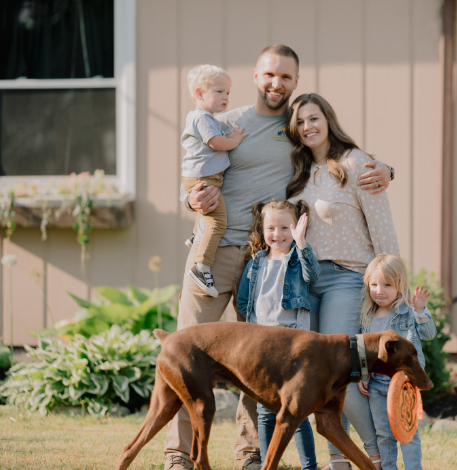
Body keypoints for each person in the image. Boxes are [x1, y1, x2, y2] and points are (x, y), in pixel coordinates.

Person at [167, 44, 393, 470]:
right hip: (213, 255)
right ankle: (179, 455)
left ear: (296, 82)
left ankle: (250, 453)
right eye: (270, 75)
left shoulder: (296, 130)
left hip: (268, 262)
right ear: (255, 75)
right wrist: (191, 197)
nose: (277, 84)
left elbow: (336, 153)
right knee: (188, 352)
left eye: (286, 77)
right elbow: (193, 172)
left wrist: (386, 169)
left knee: (259, 359)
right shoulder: (224, 123)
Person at [286, 93, 400, 470]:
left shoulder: (358, 163)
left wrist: (390, 288)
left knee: (339, 371)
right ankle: (339, 461)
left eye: (313, 118)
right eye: (299, 122)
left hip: (347, 279)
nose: (307, 127)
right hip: (306, 282)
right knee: (319, 380)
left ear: (328, 119)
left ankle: (378, 456)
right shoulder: (298, 170)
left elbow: (383, 231)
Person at [236, 200, 319, 470]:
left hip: (292, 343)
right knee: (264, 410)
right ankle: (267, 465)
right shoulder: (256, 262)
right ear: (262, 229)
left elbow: (314, 275)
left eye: (285, 227)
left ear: (295, 228)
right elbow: (244, 300)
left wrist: (302, 243)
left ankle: (309, 466)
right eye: (271, 227)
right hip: (261, 344)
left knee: (295, 409)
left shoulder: (296, 258)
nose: (277, 234)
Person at [357, 254, 436, 470]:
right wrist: (362, 375)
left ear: (400, 285)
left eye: (387, 285)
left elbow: (428, 334)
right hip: (375, 385)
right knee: (383, 433)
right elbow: (363, 348)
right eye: (373, 284)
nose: (379, 291)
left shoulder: (407, 313)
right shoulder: (367, 315)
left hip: (403, 384)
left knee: (407, 432)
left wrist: (420, 310)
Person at [181, 64, 248, 297]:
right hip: (204, 177)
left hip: (202, 176)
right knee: (218, 222)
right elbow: (215, 143)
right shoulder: (203, 118)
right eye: (219, 92)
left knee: (208, 213)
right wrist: (234, 141)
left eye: (228, 93)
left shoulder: (203, 117)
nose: (225, 98)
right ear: (199, 93)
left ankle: (194, 237)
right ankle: (202, 267)